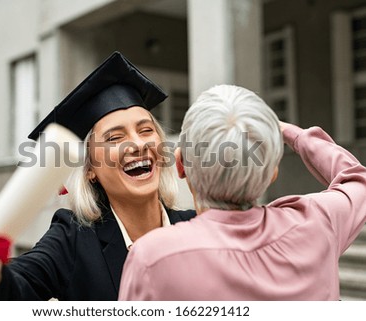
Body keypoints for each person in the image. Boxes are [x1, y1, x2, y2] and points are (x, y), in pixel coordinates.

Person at [0, 52, 195, 301]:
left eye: (146, 130)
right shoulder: (73, 239)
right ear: (90, 170)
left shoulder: (197, 228)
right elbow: (20, 284)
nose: (137, 144)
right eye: (114, 137)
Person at [118, 84, 366, 300]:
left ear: (180, 164)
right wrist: (287, 132)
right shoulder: (318, 224)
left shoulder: (153, 258)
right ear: (272, 172)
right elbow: (358, 180)